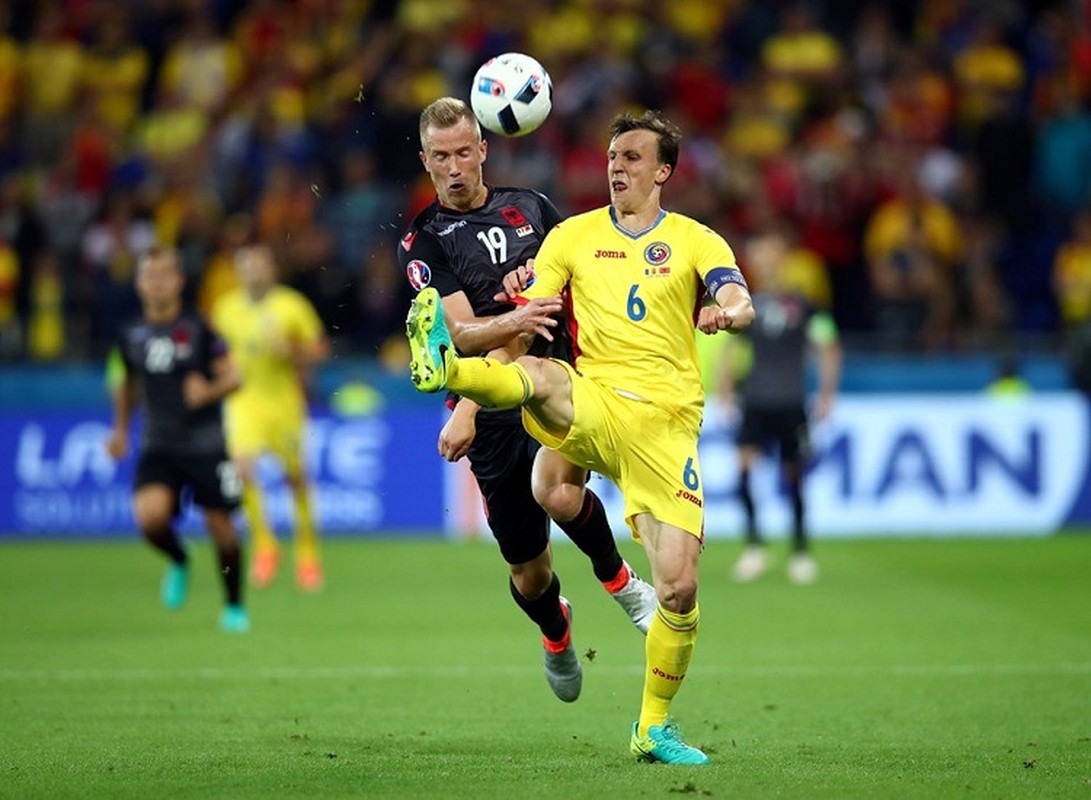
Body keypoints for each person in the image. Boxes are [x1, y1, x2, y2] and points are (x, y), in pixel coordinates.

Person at [406, 109, 755, 764]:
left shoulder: (694, 239)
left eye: (631, 157)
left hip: (665, 424)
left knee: (678, 588)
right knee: (540, 382)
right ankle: (447, 372)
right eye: (611, 156)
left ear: (662, 170)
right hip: (587, 394)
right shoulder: (570, 236)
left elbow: (738, 296)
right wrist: (471, 383)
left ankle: (651, 725)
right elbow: (525, 322)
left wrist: (725, 311)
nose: (616, 166)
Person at [398, 97, 658, 704]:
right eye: (442, 157)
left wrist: (540, 294)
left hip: (559, 379)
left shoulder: (533, 209)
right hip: (489, 411)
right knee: (529, 569)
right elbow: (460, 335)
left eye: (465, 151)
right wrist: (518, 316)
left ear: (484, 148)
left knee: (559, 489)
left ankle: (622, 583)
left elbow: (583, 276)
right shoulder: (424, 243)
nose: (456, 166)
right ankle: (556, 630)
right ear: (425, 162)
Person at [105, 246, 249, 633]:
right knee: (150, 518)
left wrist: (208, 392)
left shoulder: (200, 328)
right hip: (159, 442)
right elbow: (126, 383)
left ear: (179, 281)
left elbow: (234, 377)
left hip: (206, 444)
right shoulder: (130, 334)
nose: (157, 282)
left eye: (164, 274)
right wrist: (120, 430)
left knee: (222, 528)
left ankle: (234, 606)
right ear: (139, 283)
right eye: (150, 275)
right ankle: (179, 558)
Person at [717, 226, 841, 585]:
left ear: (782, 259)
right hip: (755, 401)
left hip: (790, 403)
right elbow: (731, 348)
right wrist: (725, 390)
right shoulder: (747, 304)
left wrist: (827, 394)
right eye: (760, 256)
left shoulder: (803, 305)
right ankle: (754, 546)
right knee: (743, 473)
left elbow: (828, 346)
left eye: (771, 254)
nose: (765, 262)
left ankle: (800, 551)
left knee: (794, 477)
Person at [212, 243, 329, 591]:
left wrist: (292, 351)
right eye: (247, 266)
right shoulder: (225, 309)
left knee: (296, 479)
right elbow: (214, 351)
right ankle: (265, 543)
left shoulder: (291, 306)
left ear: (271, 270)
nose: (254, 272)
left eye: (260, 266)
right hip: (243, 401)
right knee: (242, 468)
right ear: (239, 271)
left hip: (284, 403)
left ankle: (307, 553)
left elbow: (320, 350)